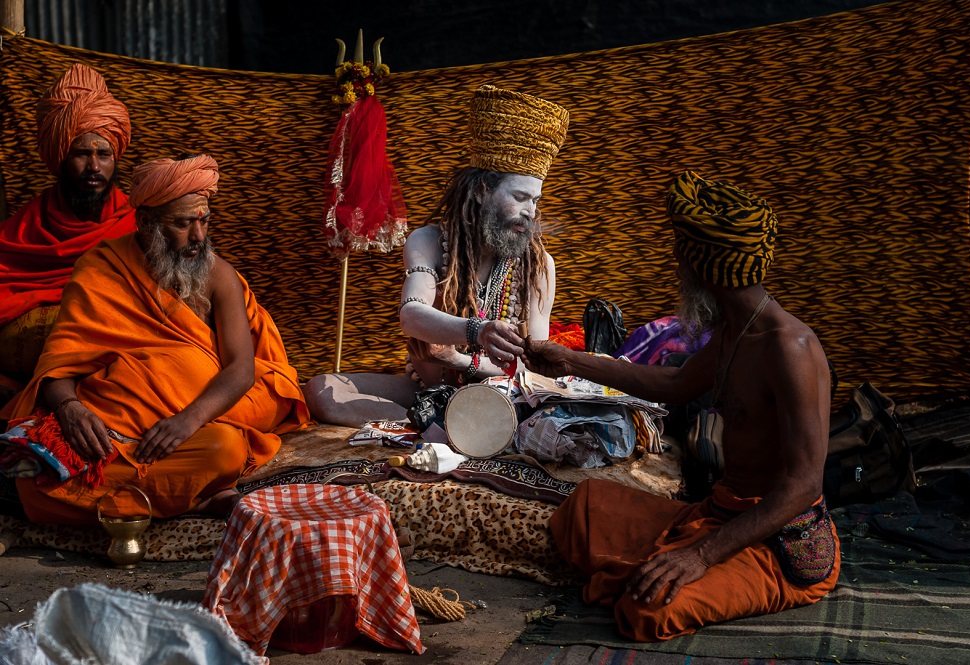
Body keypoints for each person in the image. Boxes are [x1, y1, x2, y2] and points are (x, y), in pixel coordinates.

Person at [523, 170, 839, 640]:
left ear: (705, 265)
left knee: (647, 609)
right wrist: (571, 361)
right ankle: (662, 563)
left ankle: (670, 569)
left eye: (681, 252)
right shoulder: (738, 327)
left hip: (776, 541)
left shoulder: (789, 348)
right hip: (719, 514)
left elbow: (803, 484)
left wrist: (700, 555)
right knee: (585, 507)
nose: (675, 262)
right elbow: (673, 383)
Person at [0, 155, 309, 524]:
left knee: (224, 450)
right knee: (37, 475)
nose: (198, 237)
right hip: (114, 426)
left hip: (191, 425)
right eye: (182, 224)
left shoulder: (219, 277)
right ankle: (186, 497)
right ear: (147, 224)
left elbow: (241, 369)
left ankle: (133, 500)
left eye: (204, 221)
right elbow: (59, 363)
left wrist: (187, 421)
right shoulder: (101, 269)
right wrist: (71, 409)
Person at [305, 85, 569, 426]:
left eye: (535, 201)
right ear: (481, 190)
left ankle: (441, 428)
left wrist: (461, 361)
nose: (530, 213)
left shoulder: (540, 267)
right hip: (428, 393)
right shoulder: (429, 241)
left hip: (499, 401)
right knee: (319, 388)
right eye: (520, 197)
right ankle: (431, 425)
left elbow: (533, 371)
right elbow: (411, 314)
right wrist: (478, 331)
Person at [0, 64, 136, 390]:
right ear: (61, 157)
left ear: (115, 156)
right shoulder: (29, 225)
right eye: (80, 154)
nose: (93, 167)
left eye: (103, 154)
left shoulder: (136, 222)